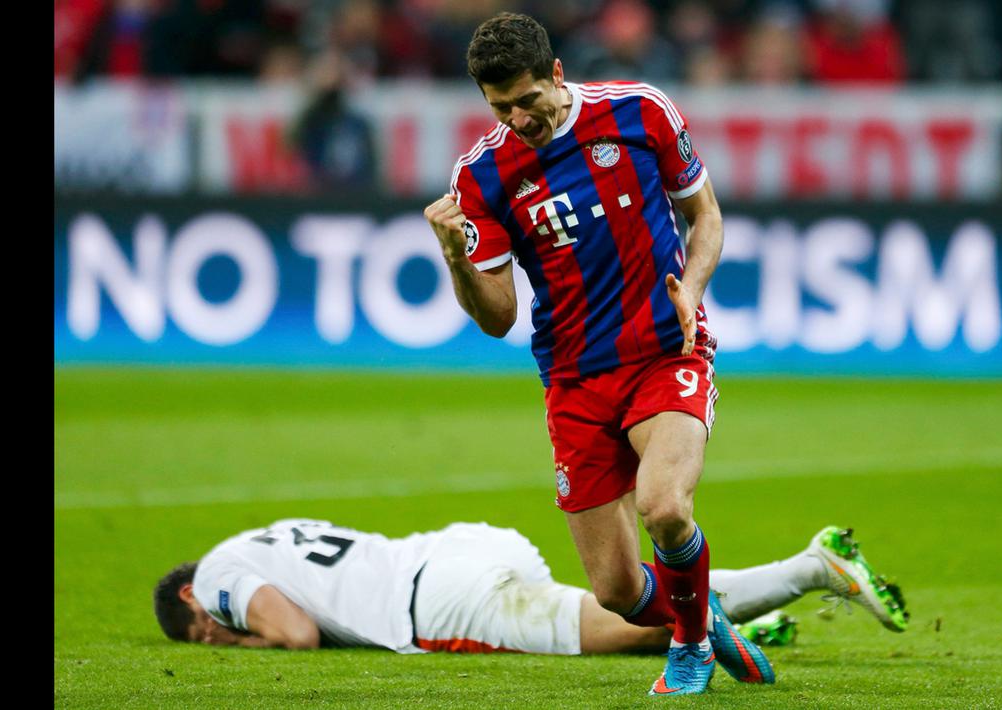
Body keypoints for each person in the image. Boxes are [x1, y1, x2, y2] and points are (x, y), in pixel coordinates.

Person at [423, 11, 763, 695]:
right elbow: (497, 319)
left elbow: (705, 215)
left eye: (527, 100)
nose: (518, 118)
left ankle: (690, 646)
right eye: (500, 108)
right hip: (574, 378)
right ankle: (701, 616)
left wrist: (692, 290)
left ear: (556, 73)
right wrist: (456, 256)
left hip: (664, 352)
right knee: (612, 590)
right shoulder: (483, 175)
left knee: (665, 507)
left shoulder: (639, 112)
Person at [154, 519, 909, 657]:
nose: (217, 634)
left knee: (627, 628)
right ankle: (758, 619)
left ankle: (810, 569)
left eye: (203, 631)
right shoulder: (266, 535)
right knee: (625, 612)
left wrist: (247, 640)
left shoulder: (220, 574)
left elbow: (295, 633)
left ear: (191, 598)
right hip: (461, 545)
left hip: (437, 601)